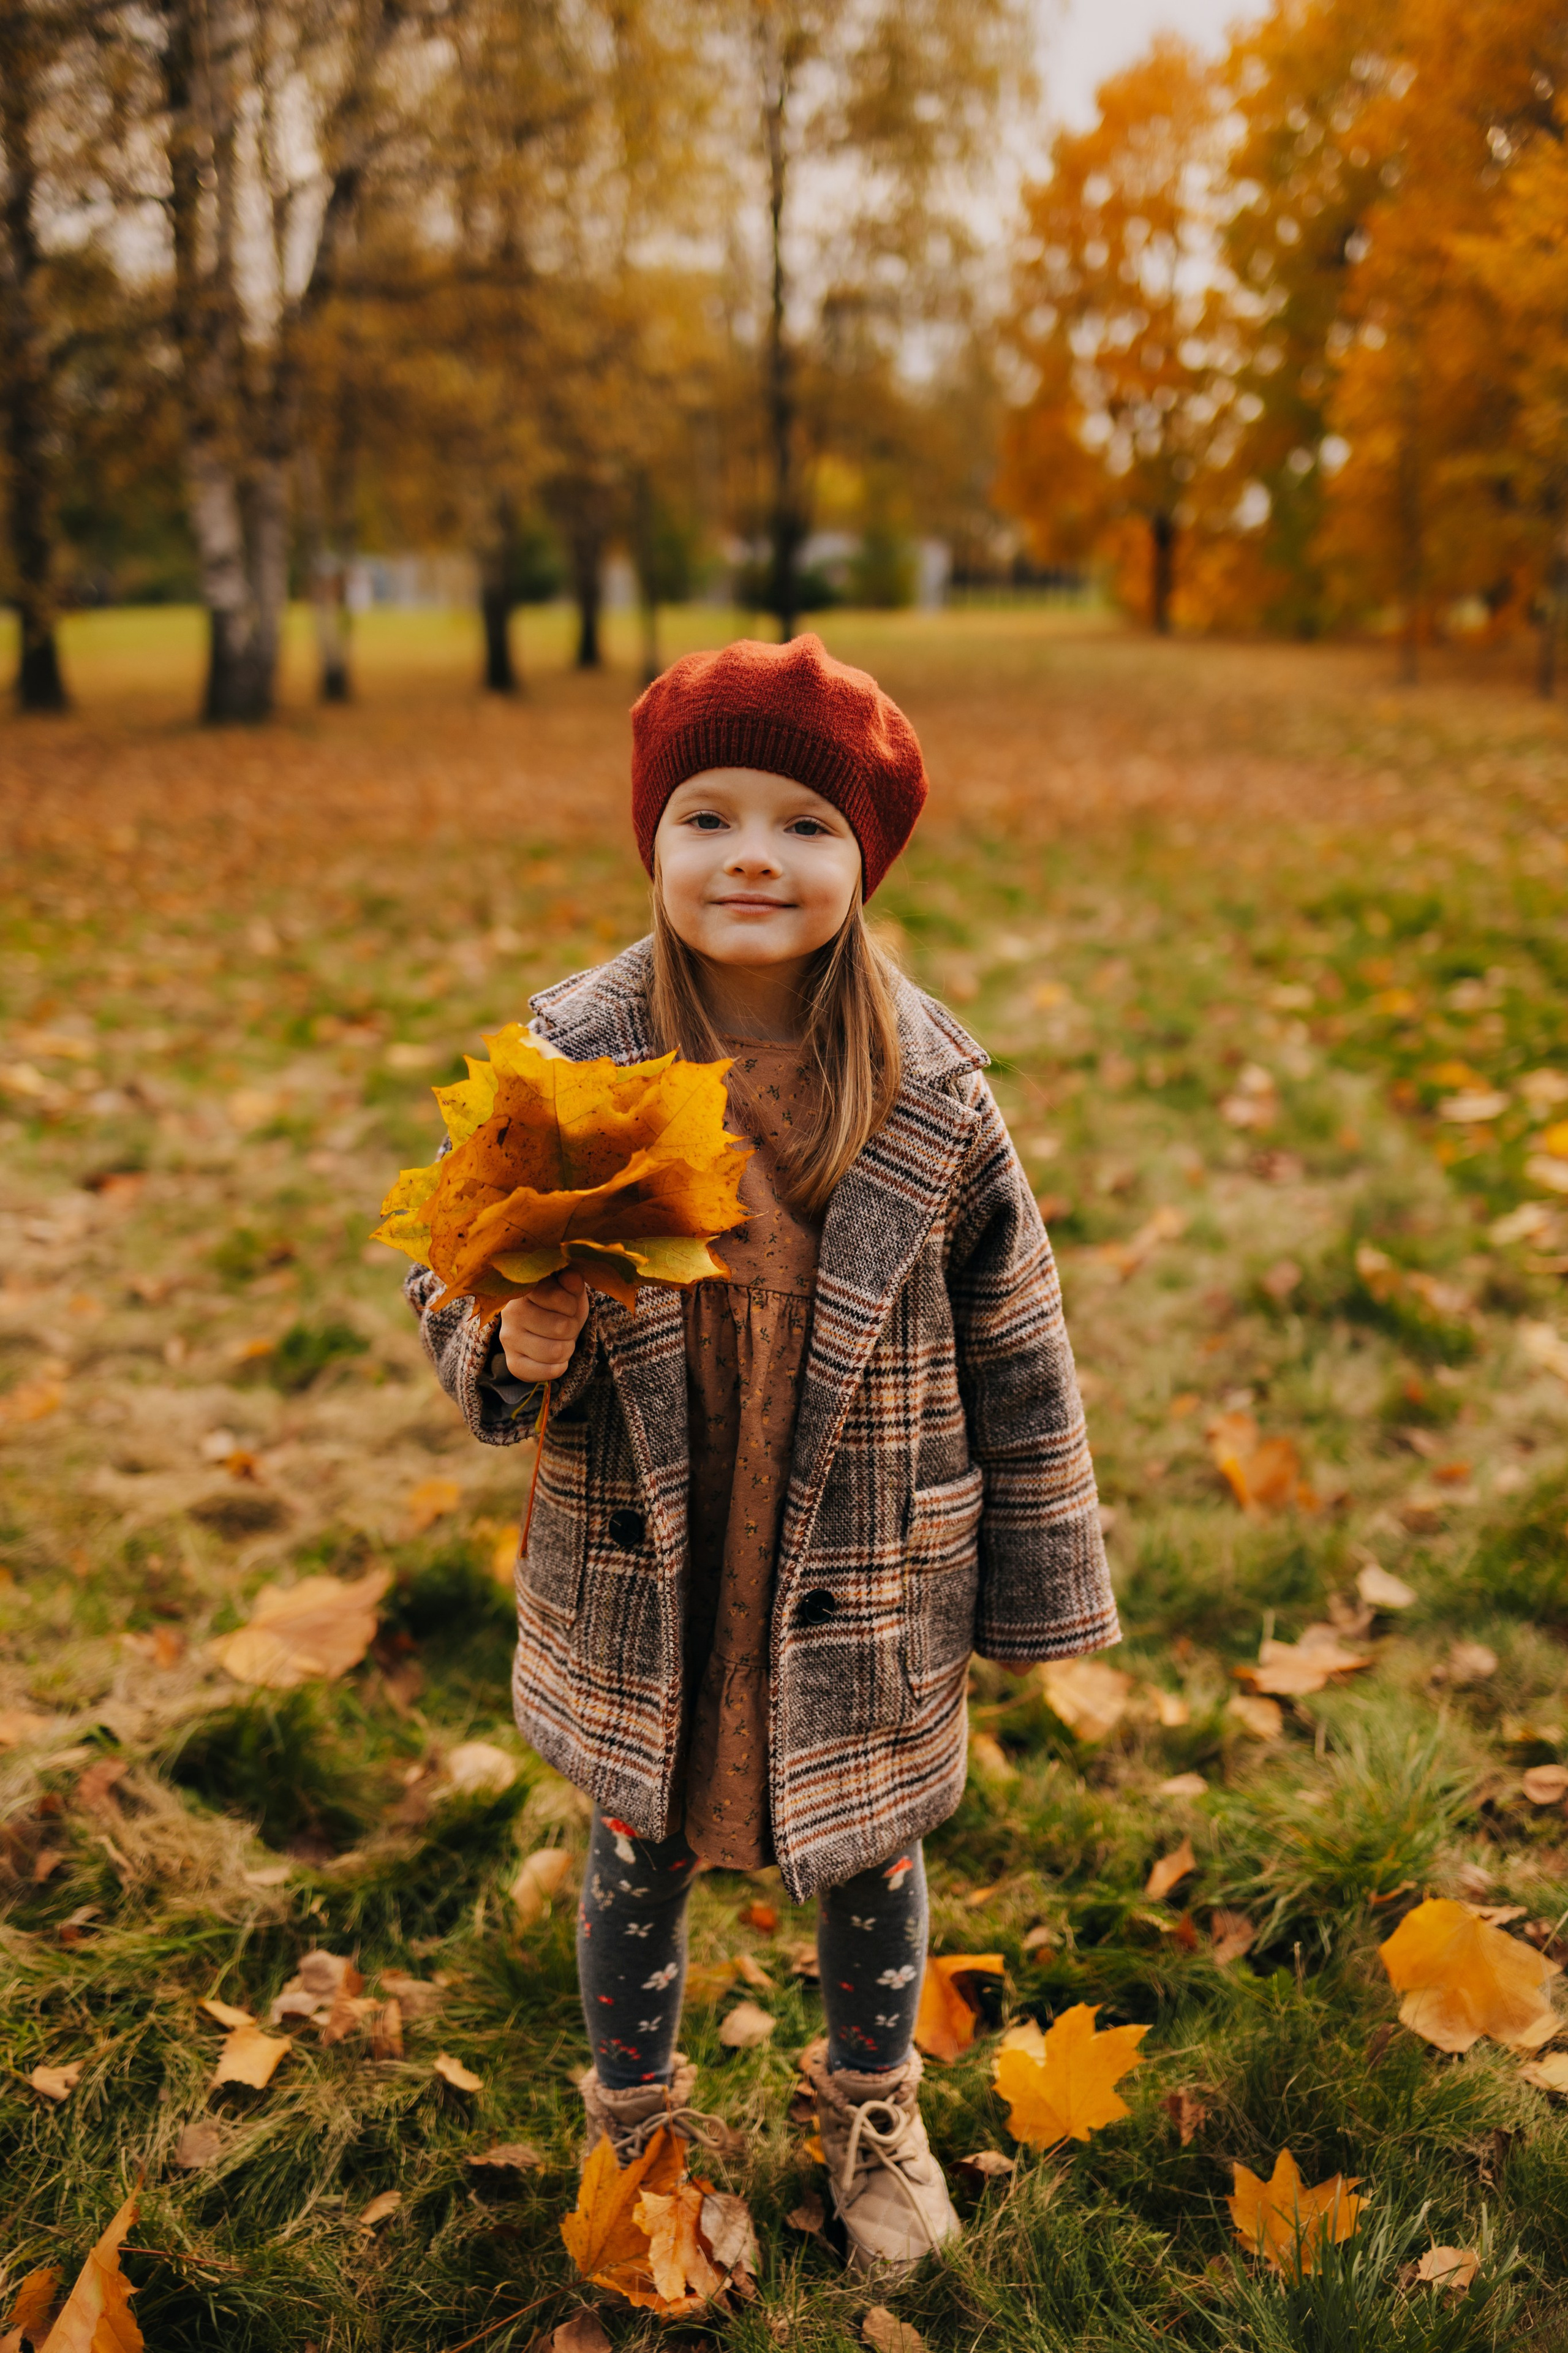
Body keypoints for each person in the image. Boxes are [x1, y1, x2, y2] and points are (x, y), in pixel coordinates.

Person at [404, 632, 1117, 2279]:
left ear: (863, 857)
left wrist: (1034, 1591)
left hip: (865, 1553)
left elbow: (1020, 1343)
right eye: (707, 816)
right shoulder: (568, 1060)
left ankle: (874, 2101)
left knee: (870, 1843)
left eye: (804, 824)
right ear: (651, 840)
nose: (751, 858)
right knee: (635, 1842)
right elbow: (452, 1267)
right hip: (650, 1543)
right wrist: (508, 1340)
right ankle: (634, 2120)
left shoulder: (929, 1084)